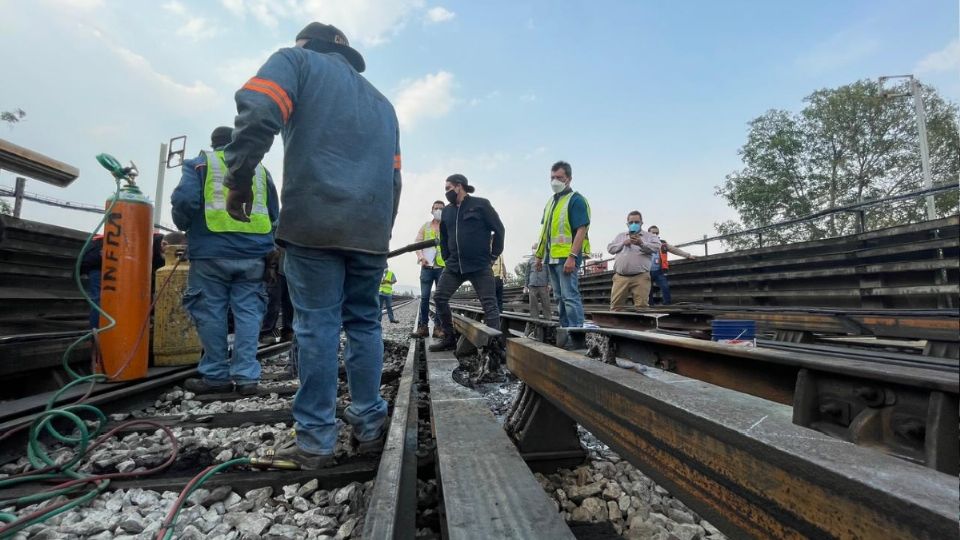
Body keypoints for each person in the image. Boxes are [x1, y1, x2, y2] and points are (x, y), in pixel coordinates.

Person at [221, 22, 401, 469]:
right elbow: (394, 179)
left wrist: (238, 178)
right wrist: (382, 229)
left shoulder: (295, 62)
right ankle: (370, 425)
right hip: (370, 231)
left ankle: (317, 441)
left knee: (317, 325)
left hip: (314, 221)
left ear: (311, 43)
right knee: (364, 324)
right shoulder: (384, 105)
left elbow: (259, 109)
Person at [171, 126, 279, 396]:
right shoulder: (260, 171)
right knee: (249, 314)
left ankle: (216, 375)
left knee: (210, 312)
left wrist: (184, 224)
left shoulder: (199, 164)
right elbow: (274, 212)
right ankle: (246, 377)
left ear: (213, 143)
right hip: (254, 255)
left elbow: (185, 200)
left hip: (211, 252)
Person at [429, 174, 505, 352]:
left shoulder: (481, 204)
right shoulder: (447, 211)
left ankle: (495, 348)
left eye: (448, 188)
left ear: (459, 186)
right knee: (439, 298)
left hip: (479, 265)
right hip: (454, 266)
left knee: (490, 304)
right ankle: (449, 338)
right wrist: (447, 257)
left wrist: (494, 255)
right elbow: (445, 236)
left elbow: (499, 229)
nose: (446, 192)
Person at [534, 161, 590, 330]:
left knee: (569, 296)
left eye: (559, 177)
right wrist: (538, 255)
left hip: (566, 258)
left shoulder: (576, 200)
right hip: (551, 257)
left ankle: (577, 333)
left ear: (569, 179)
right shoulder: (551, 202)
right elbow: (545, 232)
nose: (555, 181)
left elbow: (581, 230)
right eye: (552, 177)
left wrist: (572, 257)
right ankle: (565, 331)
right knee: (559, 297)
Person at [607, 211, 661, 310]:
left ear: (641, 223)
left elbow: (656, 247)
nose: (634, 224)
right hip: (620, 277)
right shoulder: (621, 236)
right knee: (616, 307)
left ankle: (642, 324)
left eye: (636, 222)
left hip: (641, 277)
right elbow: (610, 249)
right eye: (631, 222)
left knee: (642, 307)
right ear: (627, 224)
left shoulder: (650, 236)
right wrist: (623, 243)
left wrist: (641, 243)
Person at [411, 200, 446, 338]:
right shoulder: (425, 227)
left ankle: (438, 327)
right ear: (432, 210)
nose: (438, 211)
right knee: (425, 298)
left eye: (441, 209)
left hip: (442, 267)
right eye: (436, 208)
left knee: (440, 299)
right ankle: (423, 327)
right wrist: (421, 257)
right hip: (427, 267)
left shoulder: (447, 227)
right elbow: (417, 243)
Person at [647, 225, 697, 305]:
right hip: (647, 272)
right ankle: (650, 306)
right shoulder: (644, 243)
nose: (655, 235)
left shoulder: (663, 244)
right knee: (648, 290)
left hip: (659, 271)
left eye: (657, 233)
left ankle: (667, 305)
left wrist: (688, 255)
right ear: (648, 234)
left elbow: (675, 250)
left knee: (665, 287)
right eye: (653, 233)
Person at [523, 242, 552, 335]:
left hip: (543, 285)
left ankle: (548, 320)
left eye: (536, 248)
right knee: (533, 304)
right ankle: (535, 321)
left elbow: (549, 273)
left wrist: (550, 284)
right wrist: (525, 285)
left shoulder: (545, 259)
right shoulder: (530, 260)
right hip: (532, 285)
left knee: (546, 303)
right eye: (533, 248)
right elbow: (527, 274)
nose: (534, 250)